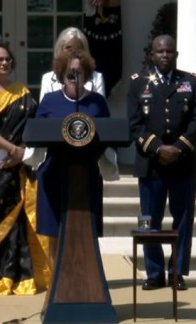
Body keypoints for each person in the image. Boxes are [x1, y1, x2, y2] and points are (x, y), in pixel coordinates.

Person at [0, 43, 50, 295]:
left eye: (7, 59)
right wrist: (10, 148)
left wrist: (21, 151)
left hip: (19, 166)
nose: (4, 63)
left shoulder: (22, 92)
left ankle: (20, 277)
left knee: (20, 221)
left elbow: (35, 125)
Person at [126, 34, 196, 291]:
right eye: (160, 52)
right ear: (152, 55)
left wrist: (178, 148)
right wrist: (158, 148)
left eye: (169, 52)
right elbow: (133, 124)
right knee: (149, 221)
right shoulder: (137, 84)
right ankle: (154, 272)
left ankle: (177, 272)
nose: (165, 55)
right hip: (151, 164)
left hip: (183, 163)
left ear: (176, 55)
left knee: (183, 220)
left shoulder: (190, 82)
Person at [32, 50, 116, 263]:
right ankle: (56, 284)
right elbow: (37, 132)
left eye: (79, 72)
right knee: (54, 231)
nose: (74, 76)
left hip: (85, 173)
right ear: (61, 74)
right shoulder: (50, 101)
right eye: (70, 73)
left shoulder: (97, 102)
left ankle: (84, 280)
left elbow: (107, 134)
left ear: (87, 74)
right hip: (54, 172)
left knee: (84, 230)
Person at [39, 27, 105, 101]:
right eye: (68, 48)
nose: (73, 51)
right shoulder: (47, 79)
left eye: (78, 48)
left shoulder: (97, 77)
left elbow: (99, 108)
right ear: (60, 49)